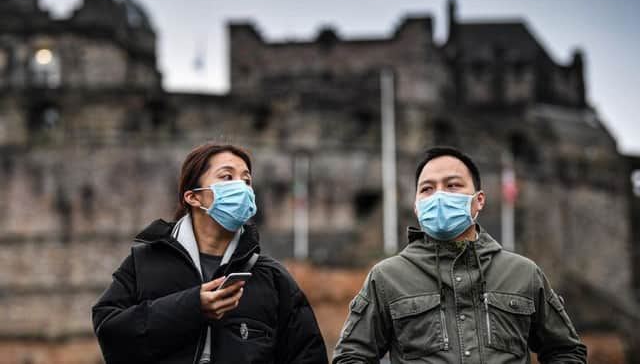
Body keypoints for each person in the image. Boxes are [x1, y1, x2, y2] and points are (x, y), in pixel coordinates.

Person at [333, 146, 587, 363]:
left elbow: (566, 350)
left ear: (479, 200)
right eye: (427, 189)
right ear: (417, 206)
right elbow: (350, 355)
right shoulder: (387, 278)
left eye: (453, 185)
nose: (440, 196)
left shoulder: (524, 273)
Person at [93, 143, 327, 364]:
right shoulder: (144, 262)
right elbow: (110, 332)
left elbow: (307, 355)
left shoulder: (272, 278)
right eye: (227, 177)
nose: (242, 188)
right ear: (193, 196)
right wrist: (192, 307)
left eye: (247, 180)